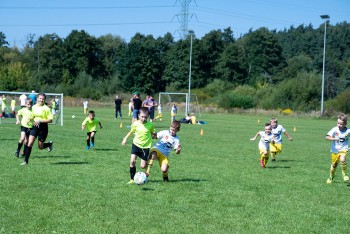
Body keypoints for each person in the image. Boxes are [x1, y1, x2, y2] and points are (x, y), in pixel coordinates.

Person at [122, 107, 155, 184]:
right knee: (132, 161)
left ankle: (148, 164)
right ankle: (132, 179)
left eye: (146, 117)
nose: (144, 118)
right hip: (136, 145)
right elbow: (131, 132)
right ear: (139, 115)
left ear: (148, 117)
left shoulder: (150, 125)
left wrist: (154, 136)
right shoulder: (135, 124)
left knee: (143, 166)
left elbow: (152, 133)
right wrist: (125, 138)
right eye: (142, 117)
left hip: (145, 147)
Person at [21, 93, 54, 166]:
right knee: (30, 143)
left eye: (43, 99)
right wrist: (30, 119)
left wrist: (40, 120)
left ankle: (49, 144)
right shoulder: (33, 107)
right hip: (35, 126)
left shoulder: (46, 108)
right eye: (40, 98)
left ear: (44, 100)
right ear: (37, 99)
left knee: (40, 147)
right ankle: (25, 161)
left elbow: (50, 120)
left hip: (43, 128)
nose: (41, 100)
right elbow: (32, 115)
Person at [325, 113, 350, 184]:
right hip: (335, 150)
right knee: (334, 165)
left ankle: (344, 174)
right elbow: (327, 137)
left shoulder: (348, 131)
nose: (339, 125)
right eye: (338, 123)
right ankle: (331, 177)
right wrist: (334, 138)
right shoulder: (335, 129)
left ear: (345, 124)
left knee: (342, 159)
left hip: (344, 149)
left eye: (341, 124)